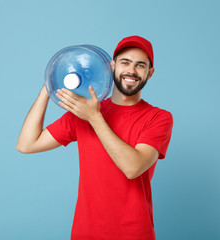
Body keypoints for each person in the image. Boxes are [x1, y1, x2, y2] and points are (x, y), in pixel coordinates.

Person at [17, 36, 173, 240]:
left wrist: (94, 117)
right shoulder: (83, 112)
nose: (131, 71)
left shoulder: (158, 118)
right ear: (112, 65)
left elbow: (132, 167)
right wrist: (47, 89)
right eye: (125, 62)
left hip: (133, 233)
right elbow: (27, 144)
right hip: (86, 233)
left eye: (140, 65)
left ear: (149, 73)